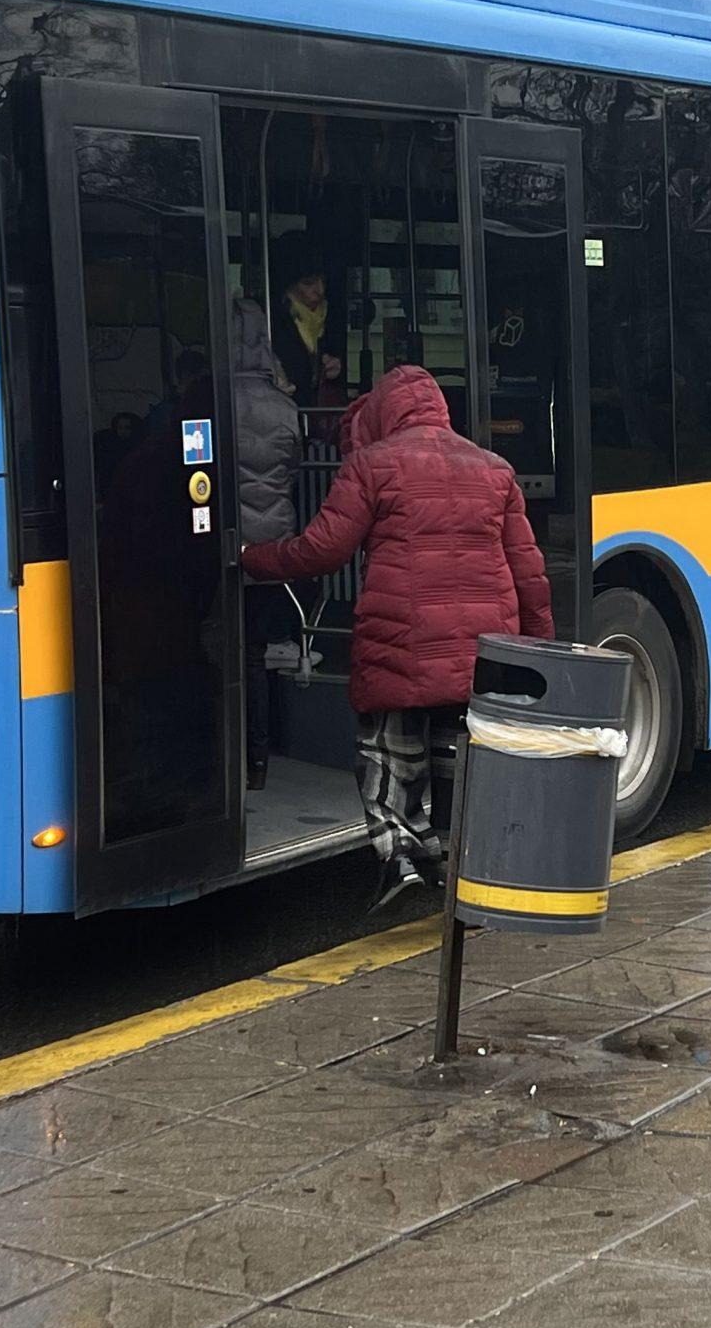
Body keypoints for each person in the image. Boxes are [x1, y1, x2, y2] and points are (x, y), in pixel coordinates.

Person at [241, 364, 552, 906]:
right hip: (481, 649)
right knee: (453, 751)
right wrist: (539, 651)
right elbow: (528, 570)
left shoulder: (372, 465)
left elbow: (323, 550)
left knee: (390, 753)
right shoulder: (494, 468)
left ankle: (400, 860)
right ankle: (459, 866)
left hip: (401, 643)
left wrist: (253, 558)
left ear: (386, 411)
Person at [230, 298, 301, 792]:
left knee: (223, 653)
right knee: (255, 656)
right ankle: (259, 762)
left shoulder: (210, 399)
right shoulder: (285, 406)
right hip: (272, 542)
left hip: (224, 545)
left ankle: (226, 761)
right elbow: (291, 470)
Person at [274, 261, 344, 411]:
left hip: (318, 410)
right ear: (290, 287)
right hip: (282, 410)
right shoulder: (272, 321)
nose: (319, 290)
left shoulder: (331, 316)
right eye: (308, 283)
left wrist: (335, 367)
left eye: (323, 281)